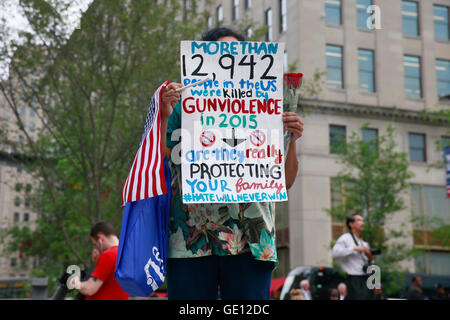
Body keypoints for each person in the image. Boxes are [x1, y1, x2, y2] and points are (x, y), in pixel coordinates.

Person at [160, 26, 304, 300]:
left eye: (236, 52)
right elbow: (164, 155)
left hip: (252, 240)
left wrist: (293, 139)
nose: (230, 58)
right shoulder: (183, 104)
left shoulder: (271, 105)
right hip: (192, 238)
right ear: (205, 60)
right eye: (223, 53)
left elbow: (284, 182)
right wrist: (166, 113)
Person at [69, 221, 129, 300]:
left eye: (95, 243)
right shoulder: (127, 253)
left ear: (100, 238)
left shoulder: (108, 255)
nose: (97, 247)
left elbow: (89, 289)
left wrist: (75, 281)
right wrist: (99, 260)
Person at [332, 212, 374, 300]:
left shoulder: (364, 242)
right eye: (359, 220)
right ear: (351, 224)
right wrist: (355, 248)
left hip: (366, 277)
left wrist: (369, 256)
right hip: (354, 278)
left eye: (363, 220)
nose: (362, 223)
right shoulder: (345, 238)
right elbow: (335, 253)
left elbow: (371, 262)